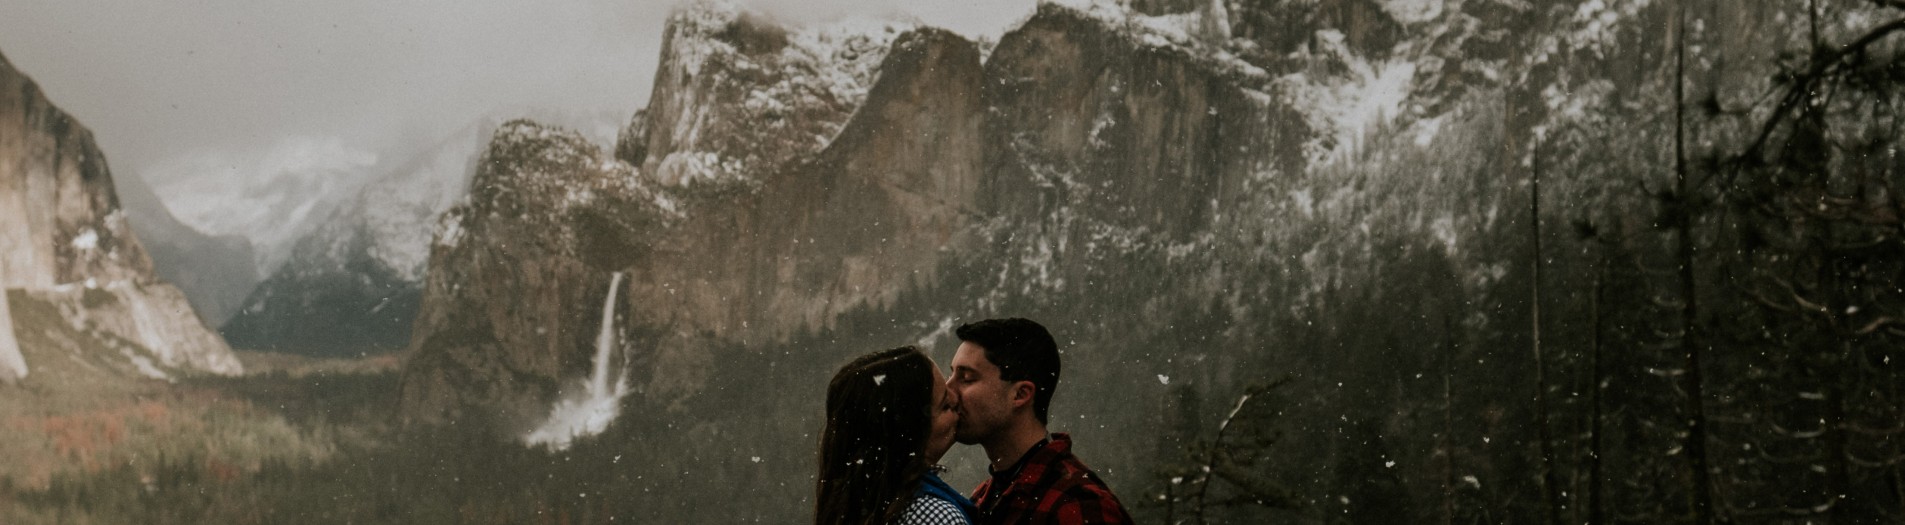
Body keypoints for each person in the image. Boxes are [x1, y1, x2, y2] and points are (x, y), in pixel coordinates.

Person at [946, 318, 1132, 525]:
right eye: (951, 374)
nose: (948, 392)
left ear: (1020, 394)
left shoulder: (1076, 505)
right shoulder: (984, 497)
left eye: (967, 378)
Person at [816, 346, 978, 525]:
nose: (956, 400)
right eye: (945, 405)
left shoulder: (856, 507)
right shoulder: (935, 517)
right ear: (912, 433)